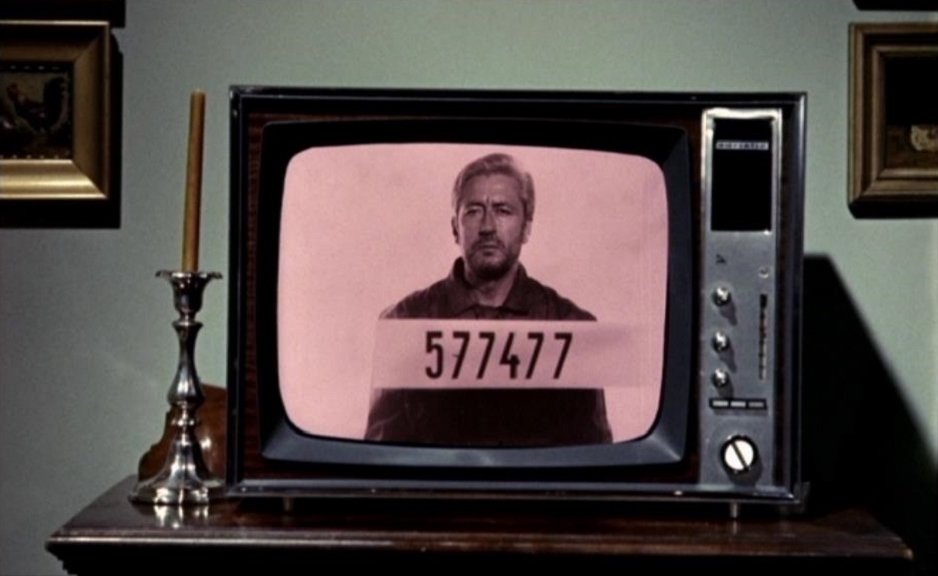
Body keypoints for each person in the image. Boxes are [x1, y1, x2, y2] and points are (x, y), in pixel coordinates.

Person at [365, 152, 612, 447]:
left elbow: (592, 458)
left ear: (527, 227)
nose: (488, 227)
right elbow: (383, 456)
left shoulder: (574, 327)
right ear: (455, 227)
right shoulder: (404, 321)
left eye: (503, 210)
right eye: (473, 211)